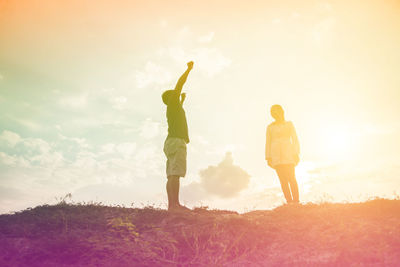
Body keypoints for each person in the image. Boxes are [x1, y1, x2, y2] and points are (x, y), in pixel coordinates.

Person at [162, 61, 194, 211]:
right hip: (176, 141)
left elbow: (179, 104)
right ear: (171, 98)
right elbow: (180, 84)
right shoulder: (173, 103)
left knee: (171, 174)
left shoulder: (173, 108)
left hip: (170, 142)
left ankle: (171, 205)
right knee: (176, 173)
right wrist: (188, 69)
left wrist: (182, 100)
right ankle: (175, 205)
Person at [265, 105, 300, 204]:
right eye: (273, 112)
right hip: (275, 155)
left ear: (282, 111)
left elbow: (295, 139)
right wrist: (268, 157)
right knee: (283, 180)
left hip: (289, 154)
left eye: (277, 111)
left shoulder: (289, 124)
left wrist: (296, 153)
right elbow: (268, 142)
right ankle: (289, 202)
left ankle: (296, 201)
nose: (275, 113)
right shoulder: (270, 127)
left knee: (292, 178)